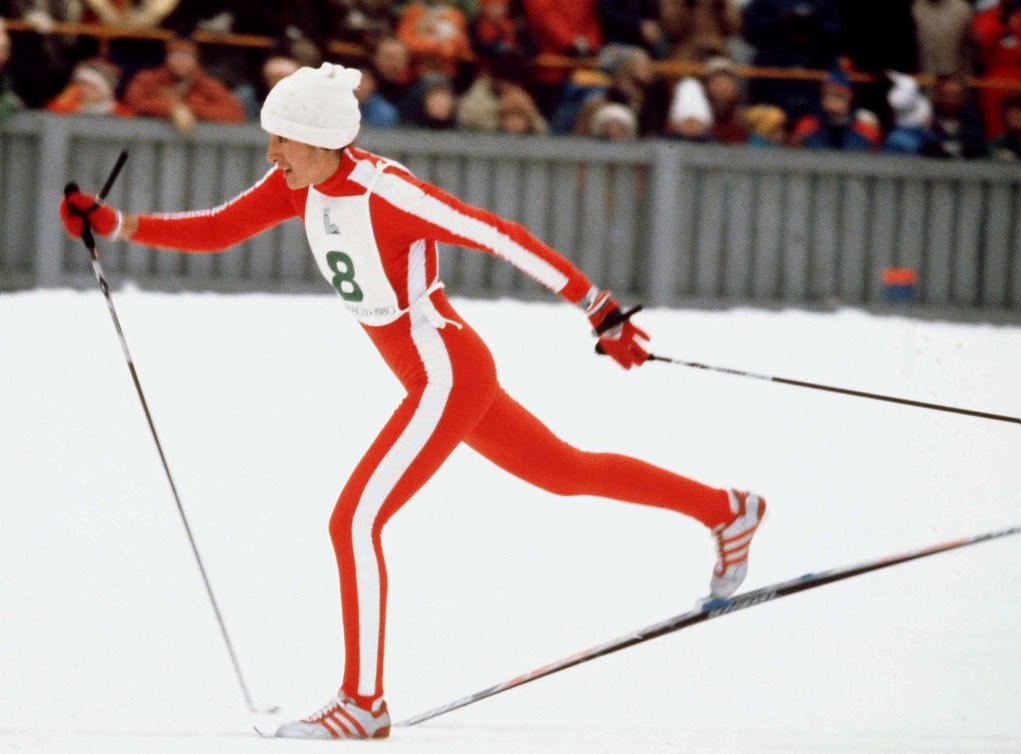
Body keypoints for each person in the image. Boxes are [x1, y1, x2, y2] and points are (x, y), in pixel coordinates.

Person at [59, 62, 767, 740]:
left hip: (446, 372)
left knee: (354, 521)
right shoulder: (296, 185)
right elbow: (216, 229)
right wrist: (115, 224)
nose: (271, 152)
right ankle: (724, 510)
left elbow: (503, 236)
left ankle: (361, 704)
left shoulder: (386, 190)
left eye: (282, 139)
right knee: (565, 471)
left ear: (324, 139)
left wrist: (601, 312)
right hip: (436, 375)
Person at [123, 37, 245, 133]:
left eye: (187, 56)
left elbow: (234, 113)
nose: (181, 61)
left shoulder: (207, 84)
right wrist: (171, 109)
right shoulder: (148, 79)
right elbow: (133, 101)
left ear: (196, 60)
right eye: (176, 55)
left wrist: (189, 109)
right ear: (167, 57)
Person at [790, 70, 882, 150]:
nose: (831, 100)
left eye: (838, 96)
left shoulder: (866, 131)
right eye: (827, 94)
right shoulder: (807, 126)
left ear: (849, 99)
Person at [45, 58, 134, 117]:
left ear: (105, 90)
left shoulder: (121, 113)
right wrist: (63, 103)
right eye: (81, 84)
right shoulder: (69, 108)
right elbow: (50, 119)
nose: (84, 90)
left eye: (90, 86)